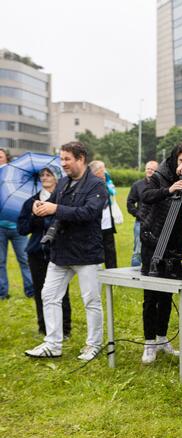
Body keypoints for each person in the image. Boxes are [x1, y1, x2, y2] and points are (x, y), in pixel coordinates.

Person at [24, 141, 107, 360]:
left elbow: (88, 213)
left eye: (67, 159)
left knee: (91, 300)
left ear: (81, 159)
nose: (63, 164)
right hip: (60, 251)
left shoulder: (97, 185)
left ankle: (94, 344)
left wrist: (56, 208)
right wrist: (37, 206)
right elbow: (51, 204)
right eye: (61, 159)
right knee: (48, 295)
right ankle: (52, 344)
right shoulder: (61, 183)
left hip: (87, 252)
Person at [139, 141, 182, 364]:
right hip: (153, 243)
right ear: (175, 159)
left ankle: (162, 338)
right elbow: (145, 196)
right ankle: (148, 343)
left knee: (167, 295)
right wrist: (169, 190)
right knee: (151, 296)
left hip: (175, 245)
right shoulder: (158, 176)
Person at [17, 167, 72, 336]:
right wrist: (35, 216)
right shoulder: (31, 201)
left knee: (61, 292)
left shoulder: (63, 200)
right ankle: (43, 327)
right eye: (42, 175)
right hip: (36, 253)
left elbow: (68, 223)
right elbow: (22, 229)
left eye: (49, 175)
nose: (45, 178)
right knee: (40, 291)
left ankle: (65, 328)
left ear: (57, 178)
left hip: (58, 252)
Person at [0, 148, 34, 300]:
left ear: (6, 158)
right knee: (0, 261)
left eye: (0, 156)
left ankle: (31, 290)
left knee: (25, 259)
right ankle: (2, 293)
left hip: (18, 227)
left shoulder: (17, 177)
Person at [127, 160, 158, 267]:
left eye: (152, 169)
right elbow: (130, 203)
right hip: (140, 223)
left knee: (155, 250)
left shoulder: (160, 186)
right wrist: (138, 213)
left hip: (156, 223)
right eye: (148, 168)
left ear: (157, 171)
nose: (149, 171)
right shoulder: (137, 185)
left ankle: (151, 273)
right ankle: (134, 279)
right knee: (138, 250)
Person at [88, 160, 118, 269]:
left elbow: (112, 194)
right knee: (96, 252)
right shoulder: (89, 185)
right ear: (96, 171)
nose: (104, 171)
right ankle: (96, 273)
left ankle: (113, 274)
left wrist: (105, 183)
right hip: (95, 226)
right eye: (102, 169)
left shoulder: (105, 182)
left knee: (110, 250)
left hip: (107, 224)